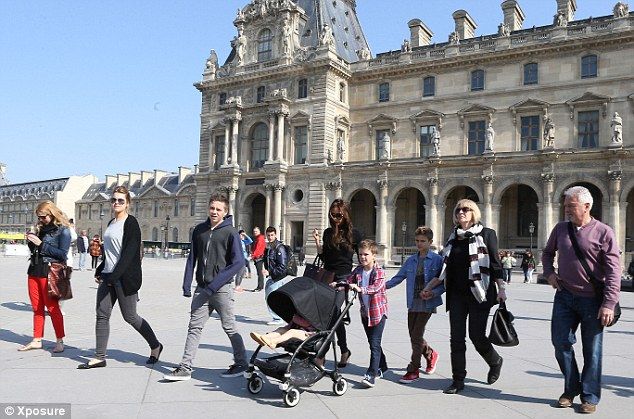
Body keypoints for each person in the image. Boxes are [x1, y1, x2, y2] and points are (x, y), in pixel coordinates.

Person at [542, 186, 621, 414]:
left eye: (571, 206)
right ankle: (571, 387)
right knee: (560, 343)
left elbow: (614, 271)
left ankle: (589, 396)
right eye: (565, 205)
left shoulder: (604, 232)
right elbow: (547, 253)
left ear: (587, 206)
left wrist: (608, 303)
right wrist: (550, 273)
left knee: (592, 351)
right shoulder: (560, 229)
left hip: (593, 301)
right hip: (564, 296)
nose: (566, 209)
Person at [164, 193, 247, 381]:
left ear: (225, 212)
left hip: (222, 289)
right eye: (212, 208)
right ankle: (185, 367)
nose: (214, 212)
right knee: (194, 326)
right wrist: (186, 282)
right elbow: (192, 257)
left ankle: (242, 362)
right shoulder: (199, 230)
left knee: (229, 326)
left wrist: (216, 283)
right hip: (202, 288)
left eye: (218, 209)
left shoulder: (230, 232)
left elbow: (238, 263)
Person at [78, 186, 162, 369]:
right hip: (109, 275)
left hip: (125, 278)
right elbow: (110, 252)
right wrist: (101, 268)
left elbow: (129, 254)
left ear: (128, 204)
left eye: (120, 200)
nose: (116, 203)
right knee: (102, 315)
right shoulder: (110, 223)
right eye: (114, 200)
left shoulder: (131, 223)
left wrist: (113, 276)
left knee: (131, 317)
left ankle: (155, 346)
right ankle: (100, 356)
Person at [440, 199, 506, 394]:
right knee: (456, 338)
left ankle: (495, 361)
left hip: (480, 293)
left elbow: (495, 263)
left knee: (477, 336)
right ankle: (458, 380)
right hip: (457, 295)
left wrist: (501, 288)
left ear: (474, 212)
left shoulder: (487, 234)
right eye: (458, 209)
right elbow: (446, 267)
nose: (461, 212)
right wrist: (432, 286)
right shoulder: (453, 237)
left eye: (466, 209)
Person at [386, 226, 444, 384]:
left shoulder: (438, 260)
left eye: (423, 241)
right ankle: (431, 354)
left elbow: (443, 283)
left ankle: (413, 369)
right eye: (417, 241)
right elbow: (398, 278)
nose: (419, 244)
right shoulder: (411, 260)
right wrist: (380, 287)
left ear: (430, 242)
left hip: (428, 302)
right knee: (414, 335)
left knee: (416, 335)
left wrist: (433, 293)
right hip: (413, 302)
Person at [312, 198, 363, 368]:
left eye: (339, 215)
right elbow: (324, 257)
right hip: (327, 277)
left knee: (333, 313)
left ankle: (321, 354)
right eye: (332, 215)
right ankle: (344, 350)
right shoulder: (328, 233)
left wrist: (363, 278)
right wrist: (318, 241)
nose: (335, 218)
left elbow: (364, 256)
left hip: (344, 278)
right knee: (333, 315)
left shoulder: (354, 234)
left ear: (346, 214)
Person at [19, 201, 71, 353]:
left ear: (52, 214)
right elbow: (35, 250)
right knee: (36, 308)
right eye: (39, 217)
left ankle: (60, 340)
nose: (41, 220)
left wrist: (41, 243)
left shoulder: (63, 231)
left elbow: (62, 254)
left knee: (53, 308)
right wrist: (31, 240)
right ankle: (37, 339)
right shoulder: (40, 228)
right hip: (34, 270)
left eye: (43, 217)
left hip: (49, 272)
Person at [338, 240, 387, 388]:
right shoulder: (358, 270)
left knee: (374, 343)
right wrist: (339, 285)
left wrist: (360, 289)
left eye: (366, 254)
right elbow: (348, 280)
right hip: (365, 313)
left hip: (378, 313)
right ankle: (382, 366)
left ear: (374, 255)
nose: (363, 257)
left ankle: (371, 374)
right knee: (373, 342)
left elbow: (375, 287)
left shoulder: (379, 272)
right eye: (360, 254)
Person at [262, 226, 288, 325]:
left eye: (272, 235)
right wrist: (264, 268)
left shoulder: (279, 247)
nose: (270, 237)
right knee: (271, 297)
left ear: (275, 235)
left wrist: (270, 272)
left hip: (277, 278)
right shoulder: (268, 247)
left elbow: (282, 266)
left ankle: (278, 318)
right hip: (272, 277)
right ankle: (280, 316)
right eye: (268, 235)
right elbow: (267, 261)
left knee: (271, 297)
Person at [250, 314, 315, 349]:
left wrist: (295, 318)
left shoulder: (313, 315)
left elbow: (306, 323)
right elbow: (289, 326)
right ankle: (264, 337)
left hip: (309, 335)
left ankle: (273, 342)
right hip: (299, 330)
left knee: (292, 331)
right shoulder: (299, 313)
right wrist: (284, 329)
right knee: (282, 329)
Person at [251, 226, 266, 292]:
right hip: (258, 257)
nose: (255, 232)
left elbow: (258, 248)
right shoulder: (258, 238)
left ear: (259, 232)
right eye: (254, 231)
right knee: (259, 273)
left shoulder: (260, 238)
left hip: (259, 257)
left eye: (256, 231)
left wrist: (252, 256)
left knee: (259, 273)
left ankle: (260, 287)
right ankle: (260, 286)